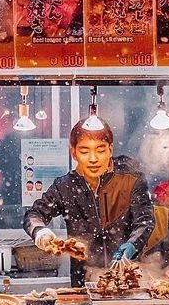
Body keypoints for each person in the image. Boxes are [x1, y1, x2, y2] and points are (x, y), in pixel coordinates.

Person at [24, 117, 154, 279]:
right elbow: (34, 214)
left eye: (100, 150)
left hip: (127, 275)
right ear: (74, 153)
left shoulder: (131, 178)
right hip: (84, 279)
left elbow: (145, 220)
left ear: (110, 150)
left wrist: (132, 244)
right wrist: (40, 232)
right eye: (84, 151)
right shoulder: (65, 186)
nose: (93, 159)